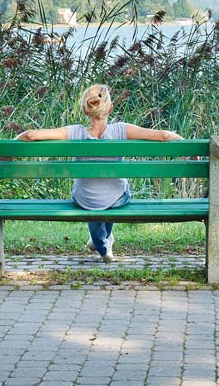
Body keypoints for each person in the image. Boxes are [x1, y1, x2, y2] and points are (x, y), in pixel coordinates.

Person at [15, 84, 183, 262]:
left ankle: (100, 243)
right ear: (110, 108)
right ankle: (103, 244)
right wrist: (189, 147)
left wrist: (6, 151)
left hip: (84, 199)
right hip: (117, 199)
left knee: (94, 202)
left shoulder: (74, 132)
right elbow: (164, 136)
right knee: (116, 193)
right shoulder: (121, 130)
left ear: (85, 111)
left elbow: (31, 135)